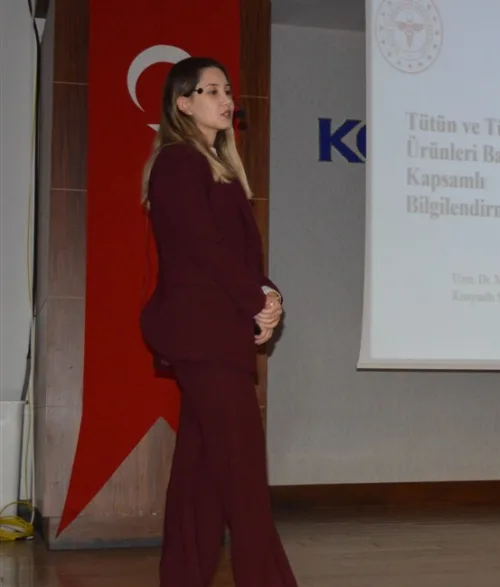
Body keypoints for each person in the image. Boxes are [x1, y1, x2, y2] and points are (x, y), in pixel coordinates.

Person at [139, 56, 298, 587]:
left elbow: (239, 256)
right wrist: (255, 298)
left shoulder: (220, 168)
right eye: (211, 90)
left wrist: (269, 296)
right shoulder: (178, 161)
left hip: (218, 336)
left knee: (201, 477)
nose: (226, 99)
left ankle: (182, 577)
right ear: (183, 103)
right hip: (202, 336)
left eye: (227, 90)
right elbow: (202, 247)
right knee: (244, 479)